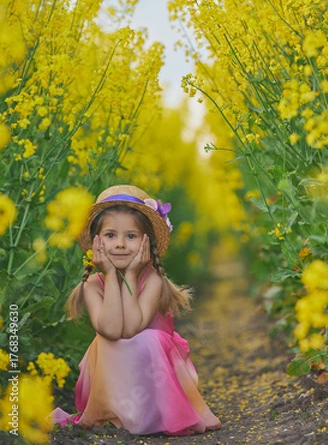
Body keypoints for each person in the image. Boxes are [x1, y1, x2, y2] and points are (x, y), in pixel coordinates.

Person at [49, 184, 221, 436]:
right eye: (110, 235)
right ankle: (116, 414)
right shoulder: (93, 286)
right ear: (96, 243)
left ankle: (151, 415)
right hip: (112, 375)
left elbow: (130, 329)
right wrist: (108, 275)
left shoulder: (153, 280)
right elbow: (110, 330)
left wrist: (129, 276)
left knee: (147, 338)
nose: (119, 244)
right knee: (107, 341)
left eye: (131, 236)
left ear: (145, 242)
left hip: (155, 379)